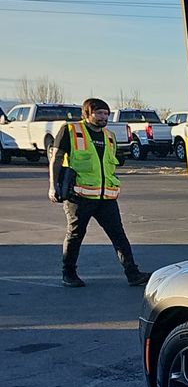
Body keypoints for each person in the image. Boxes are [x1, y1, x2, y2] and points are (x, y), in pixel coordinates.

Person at [50, 97, 150, 288]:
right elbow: (56, 158)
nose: (104, 117)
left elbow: (110, 163)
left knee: (118, 235)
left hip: (105, 197)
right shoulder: (70, 131)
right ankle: (68, 273)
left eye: (106, 113)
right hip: (79, 196)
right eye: (99, 113)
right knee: (75, 234)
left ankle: (132, 273)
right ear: (87, 114)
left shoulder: (109, 136)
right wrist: (53, 186)